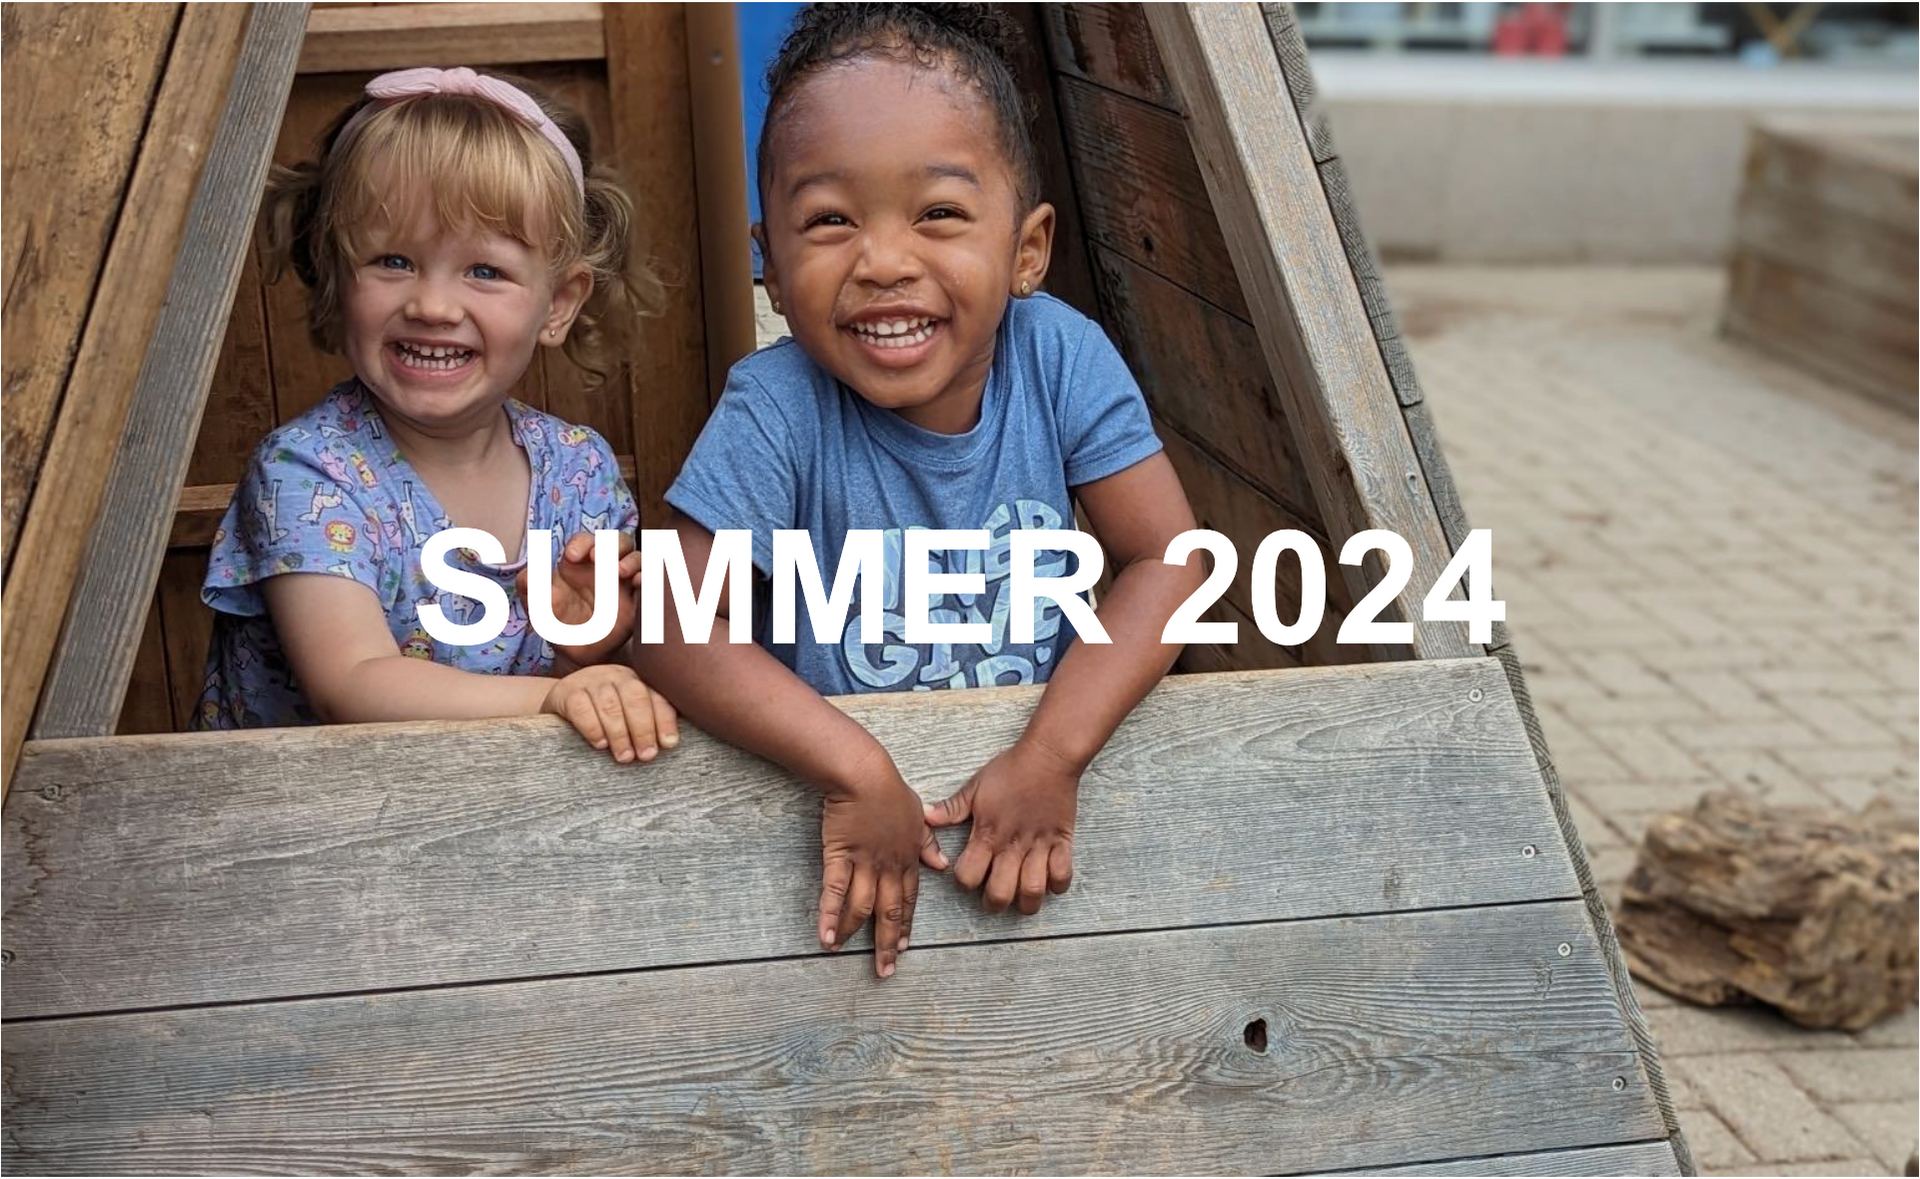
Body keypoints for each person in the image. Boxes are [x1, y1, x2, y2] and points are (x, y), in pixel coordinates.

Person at [636, 5, 1206, 978]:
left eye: (938, 213)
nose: (885, 262)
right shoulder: (773, 407)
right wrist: (853, 766)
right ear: (769, 261)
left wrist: (1054, 754)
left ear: (1026, 249)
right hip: (834, 865)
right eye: (829, 221)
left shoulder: (1059, 357)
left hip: (1037, 835)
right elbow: (671, 624)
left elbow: (1174, 559)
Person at [197, 66, 677, 765]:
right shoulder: (309, 472)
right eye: (393, 260)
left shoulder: (579, 469)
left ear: (561, 302)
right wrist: (553, 698)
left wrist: (591, 647)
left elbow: (599, 697)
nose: (433, 305)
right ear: (337, 274)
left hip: (493, 829)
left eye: (485, 270)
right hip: (302, 839)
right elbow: (352, 684)